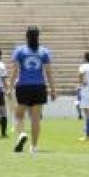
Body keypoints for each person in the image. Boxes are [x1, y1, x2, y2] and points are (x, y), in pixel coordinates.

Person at [9, 26, 56, 154]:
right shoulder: (44, 52)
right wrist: (53, 89)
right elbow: (49, 72)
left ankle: (22, 134)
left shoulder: (20, 50)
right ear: (38, 36)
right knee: (35, 118)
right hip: (39, 86)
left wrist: (9, 87)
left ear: (26, 36)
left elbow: (14, 70)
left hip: (23, 86)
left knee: (19, 115)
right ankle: (34, 147)